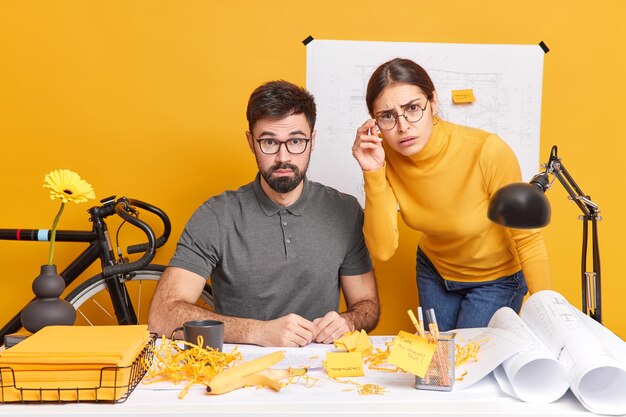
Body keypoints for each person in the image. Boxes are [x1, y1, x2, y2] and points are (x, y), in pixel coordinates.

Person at [149, 80, 379, 347]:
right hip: (238, 372)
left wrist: (349, 321)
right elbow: (162, 315)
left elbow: (367, 305)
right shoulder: (215, 216)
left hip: (322, 371)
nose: (283, 157)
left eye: (296, 141)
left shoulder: (345, 211)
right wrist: (257, 332)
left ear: (312, 141)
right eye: (269, 142)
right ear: (251, 142)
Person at [351, 58, 550, 331]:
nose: (403, 126)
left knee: (469, 368)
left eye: (412, 108)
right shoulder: (385, 157)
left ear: (432, 103)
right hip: (434, 271)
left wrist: (548, 318)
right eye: (387, 116)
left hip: (496, 279)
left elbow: (528, 240)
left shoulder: (486, 151)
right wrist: (372, 173)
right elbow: (382, 250)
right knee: (437, 369)